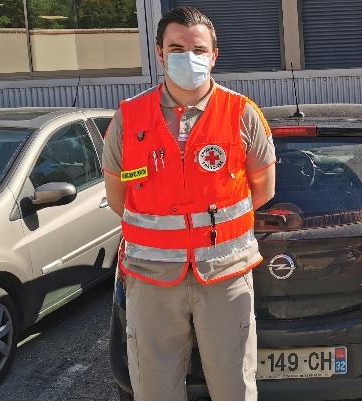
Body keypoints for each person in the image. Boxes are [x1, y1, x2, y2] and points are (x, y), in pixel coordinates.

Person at [101, 6, 275, 401]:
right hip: (150, 278)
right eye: (177, 48)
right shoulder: (128, 118)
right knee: (154, 390)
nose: (188, 57)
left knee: (234, 388)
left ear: (214, 55)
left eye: (198, 49)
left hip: (225, 275)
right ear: (160, 53)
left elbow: (262, 190)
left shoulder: (243, 114)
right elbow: (118, 198)